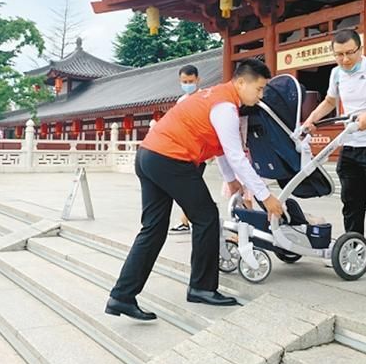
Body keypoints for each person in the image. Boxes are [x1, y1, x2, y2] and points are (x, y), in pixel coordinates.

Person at [105, 59, 284, 320]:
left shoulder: (214, 96)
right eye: (258, 89)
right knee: (207, 217)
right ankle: (202, 287)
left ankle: (121, 296)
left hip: (148, 155)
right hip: (170, 158)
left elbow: (221, 148)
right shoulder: (226, 106)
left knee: (153, 228)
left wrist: (231, 180)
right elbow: (236, 155)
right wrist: (266, 196)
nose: (260, 96)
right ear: (241, 82)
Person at [302, 29, 366, 271]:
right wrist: (311, 120)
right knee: (351, 201)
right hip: (350, 142)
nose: (345, 59)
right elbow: (330, 101)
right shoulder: (336, 73)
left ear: (360, 49)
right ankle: (352, 249)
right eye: (339, 54)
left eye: (350, 53)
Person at [169, 64, 202, 235]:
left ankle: (187, 220)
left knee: (191, 187)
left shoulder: (204, 98)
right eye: (185, 81)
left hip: (200, 151)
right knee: (186, 187)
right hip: (183, 151)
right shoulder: (181, 102)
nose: (188, 84)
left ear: (198, 79)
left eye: (191, 81)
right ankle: (186, 219)